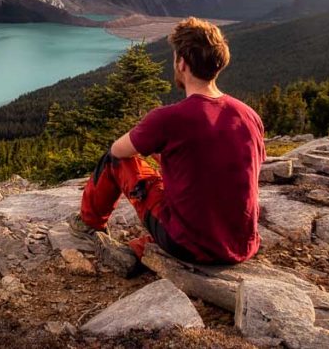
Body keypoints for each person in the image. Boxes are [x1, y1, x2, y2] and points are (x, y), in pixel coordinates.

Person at [69, 17, 265, 276]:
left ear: (182, 63)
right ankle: (143, 248)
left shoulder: (169, 118)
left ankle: (89, 222)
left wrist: (154, 147)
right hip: (242, 246)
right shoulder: (249, 115)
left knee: (116, 161)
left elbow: (118, 151)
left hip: (189, 246)